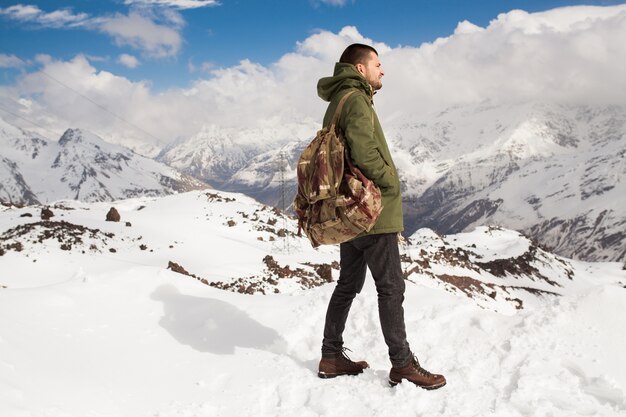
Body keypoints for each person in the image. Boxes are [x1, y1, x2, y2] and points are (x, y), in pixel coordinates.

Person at [315, 43, 446, 390]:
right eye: (377, 63)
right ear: (360, 69)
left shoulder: (338, 99)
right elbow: (362, 149)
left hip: (349, 210)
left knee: (348, 285)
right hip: (371, 209)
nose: (382, 70)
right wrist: (390, 180)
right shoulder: (356, 99)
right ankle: (402, 364)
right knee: (391, 288)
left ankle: (330, 355)